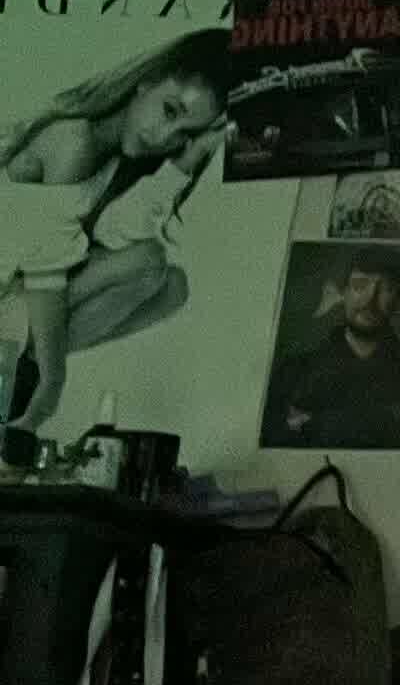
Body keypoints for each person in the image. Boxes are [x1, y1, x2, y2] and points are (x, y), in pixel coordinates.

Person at [0, 27, 229, 431]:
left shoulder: (111, 157)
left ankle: (24, 367)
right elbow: (46, 275)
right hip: (17, 297)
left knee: (172, 287)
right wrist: (50, 388)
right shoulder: (73, 141)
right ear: (147, 82)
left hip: (18, 310)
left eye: (185, 135)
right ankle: (29, 375)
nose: (164, 137)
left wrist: (186, 161)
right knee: (148, 261)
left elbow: (115, 236)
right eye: (170, 111)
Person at [267, 246, 400, 446]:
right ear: (342, 293)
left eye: (386, 289)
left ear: (399, 299)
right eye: (359, 285)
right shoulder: (294, 373)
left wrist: (314, 422)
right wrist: (387, 421)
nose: (369, 300)